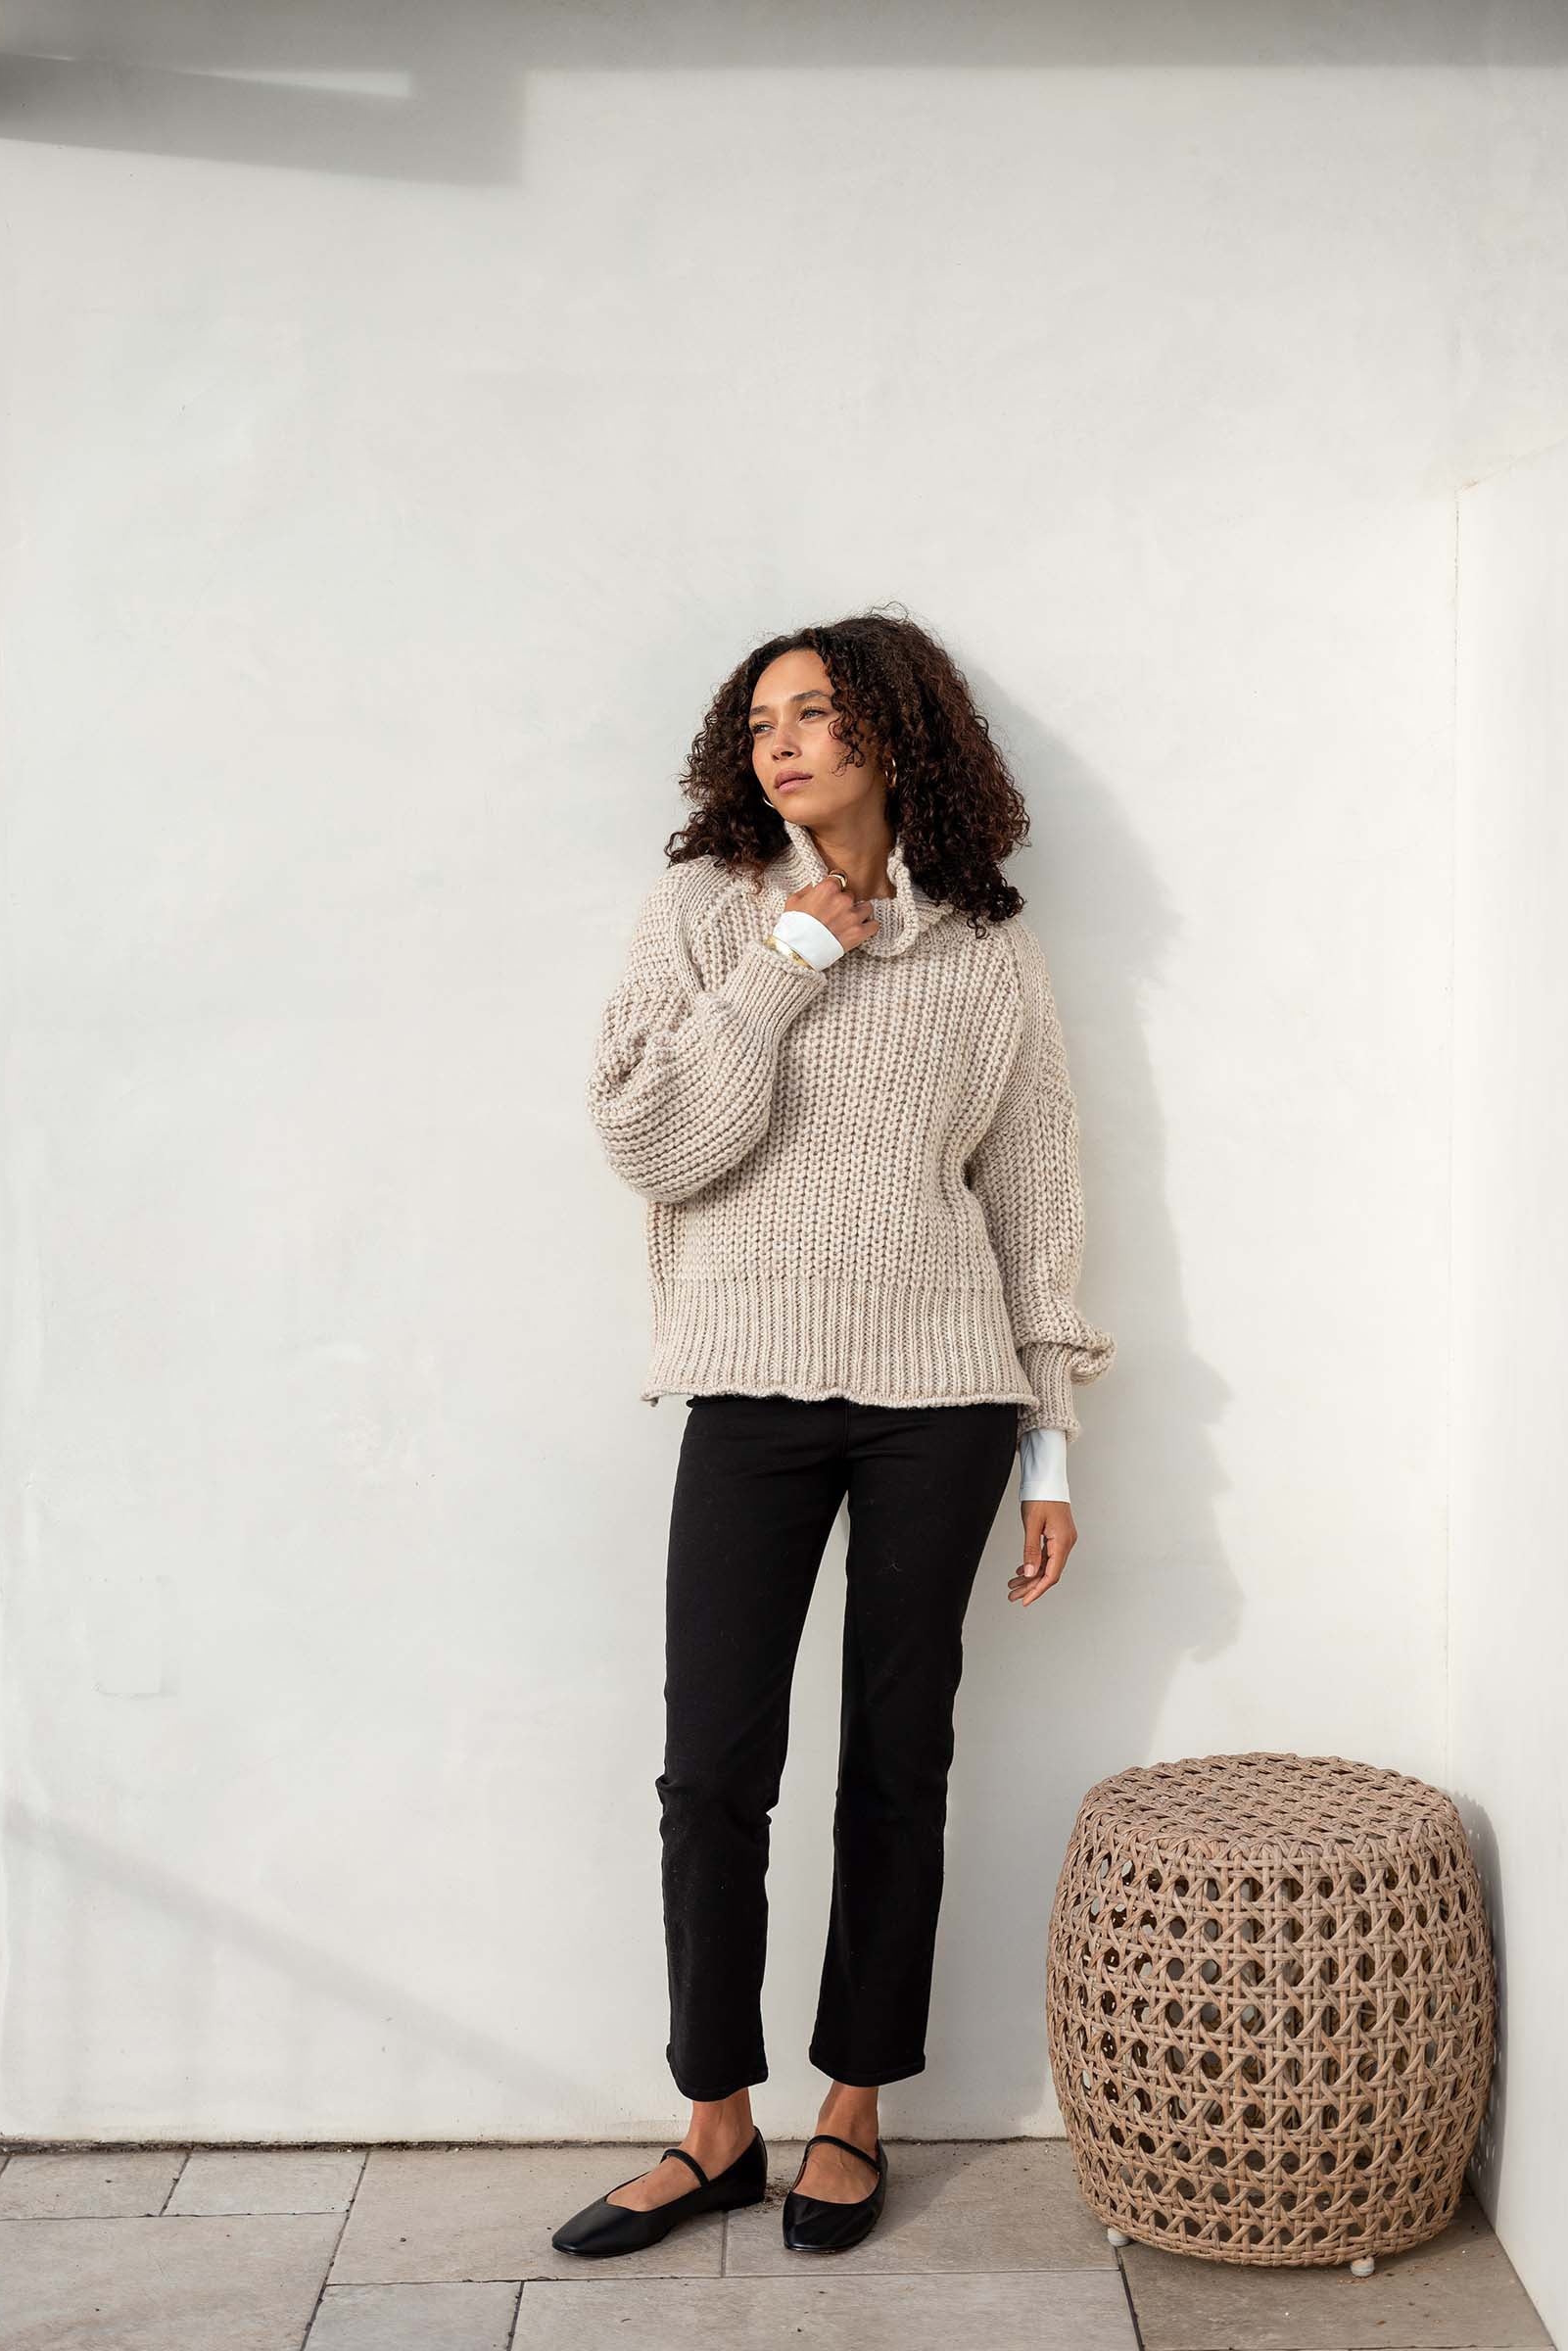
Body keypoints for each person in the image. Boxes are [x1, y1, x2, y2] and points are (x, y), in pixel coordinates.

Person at [552, 610, 1116, 2259]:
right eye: (759, 722)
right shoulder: (704, 915)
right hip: (746, 1382)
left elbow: (1034, 1201)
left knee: (898, 1760)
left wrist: (1053, 1450)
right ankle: (715, 2121)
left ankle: (854, 2107)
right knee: (713, 1767)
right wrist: (793, 959)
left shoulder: (987, 950)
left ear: (896, 733)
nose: (782, 743)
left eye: (816, 714)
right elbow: (652, 1136)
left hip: (944, 1398)